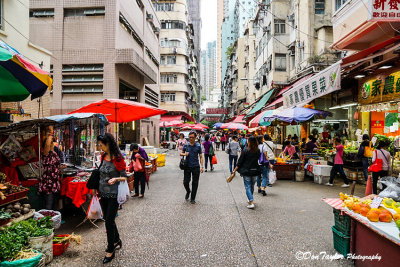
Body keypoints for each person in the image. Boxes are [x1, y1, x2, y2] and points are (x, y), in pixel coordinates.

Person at [96, 133, 127, 264]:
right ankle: (117, 239)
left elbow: (125, 176)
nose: (100, 146)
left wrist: (116, 178)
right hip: (102, 193)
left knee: (108, 220)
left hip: (114, 195)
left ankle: (110, 249)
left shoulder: (118, 158)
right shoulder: (103, 156)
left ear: (108, 144)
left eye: (101, 144)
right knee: (108, 219)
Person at [232, 136, 261, 209]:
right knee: (251, 185)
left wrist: (234, 170)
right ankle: (250, 198)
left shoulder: (245, 150)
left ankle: (251, 201)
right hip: (255, 171)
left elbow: (240, 161)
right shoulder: (258, 150)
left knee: (247, 186)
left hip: (246, 171)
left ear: (249, 142)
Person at [39, 136, 64, 210]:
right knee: (49, 203)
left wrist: (61, 167)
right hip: (48, 182)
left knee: (55, 203)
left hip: (55, 182)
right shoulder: (45, 153)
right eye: (51, 143)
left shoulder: (53, 153)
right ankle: (48, 219)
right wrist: (50, 136)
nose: (52, 144)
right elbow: (47, 144)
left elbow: (56, 165)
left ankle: (54, 218)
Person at [181, 132, 204, 204]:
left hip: (196, 167)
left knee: (195, 183)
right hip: (187, 166)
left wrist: (202, 166)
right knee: (185, 182)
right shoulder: (186, 145)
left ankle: (193, 198)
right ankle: (188, 191)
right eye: (189, 137)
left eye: (192, 137)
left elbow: (201, 156)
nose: (191, 139)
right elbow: (181, 153)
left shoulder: (198, 146)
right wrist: (185, 154)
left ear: (195, 138)